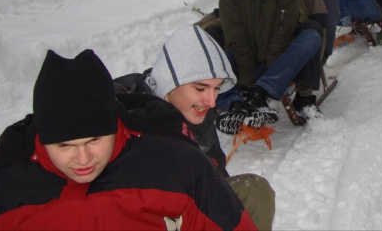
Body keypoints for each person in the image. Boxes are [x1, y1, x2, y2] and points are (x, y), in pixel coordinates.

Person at [0, 49, 255, 230]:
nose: (83, 159)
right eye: (64, 146)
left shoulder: (173, 164)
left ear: (115, 125)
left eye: (95, 140)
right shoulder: (9, 186)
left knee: (256, 191)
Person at [113, 25, 275, 231]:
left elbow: (216, 175)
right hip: (140, 215)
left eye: (216, 89)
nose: (211, 101)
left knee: (256, 191)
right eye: (200, 88)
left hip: (186, 208)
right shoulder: (127, 111)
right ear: (168, 83)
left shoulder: (197, 114)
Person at [216, 0, 322, 123]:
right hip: (242, 63)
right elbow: (235, 32)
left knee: (312, 36)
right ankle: (233, 104)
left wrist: (272, 74)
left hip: (277, 63)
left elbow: (283, 29)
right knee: (214, 46)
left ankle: (263, 91)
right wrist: (246, 82)